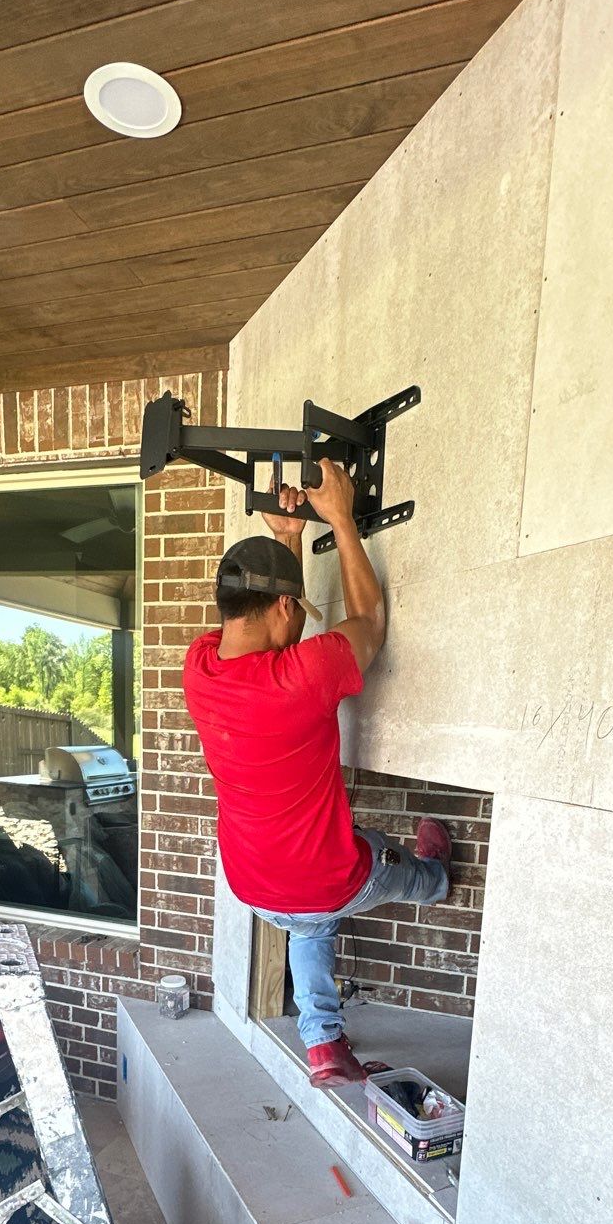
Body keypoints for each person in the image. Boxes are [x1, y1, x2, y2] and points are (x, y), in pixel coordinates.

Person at [182, 457, 452, 1087]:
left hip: (253, 884)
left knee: (308, 924)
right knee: (386, 862)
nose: (304, 616)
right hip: (329, 878)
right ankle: (438, 879)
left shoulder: (200, 666)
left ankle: (323, 1041)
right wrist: (342, 519)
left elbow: (265, 627)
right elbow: (371, 623)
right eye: (297, 605)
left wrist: (287, 540)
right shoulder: (306, 674)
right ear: (283, 604)